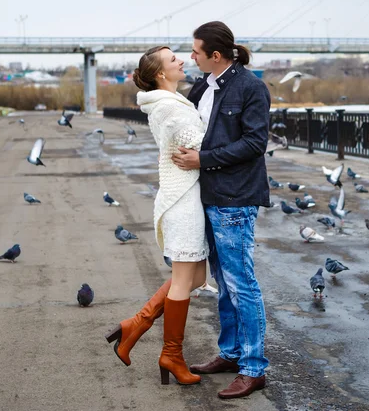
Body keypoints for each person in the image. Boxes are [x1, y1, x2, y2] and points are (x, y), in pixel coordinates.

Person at [172, 21, 271, 399]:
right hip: (208, 196)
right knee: (224, 283)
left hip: (236, 198)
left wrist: (203, 159)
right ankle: (231, 354)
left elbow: (254, 143)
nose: (190, 56)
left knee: (242, 283)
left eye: (195, 51)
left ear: (215, 55)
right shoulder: (204, 86)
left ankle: (253, 367)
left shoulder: (250, 87)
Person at [106, 46, 208, 386]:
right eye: (173, 59)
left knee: (195, 278)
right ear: (162, 74)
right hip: (183, 202)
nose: (181, 60)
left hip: (187, 198)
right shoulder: (167, 106)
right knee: (184, 281)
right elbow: (200, 143)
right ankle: (171, 355)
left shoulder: (171, 101)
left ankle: (136, 324)